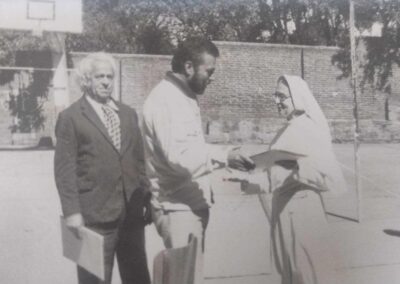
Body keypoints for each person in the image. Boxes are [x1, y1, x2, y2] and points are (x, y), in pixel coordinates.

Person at [142, 37, 254, 283]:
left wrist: (224, 154)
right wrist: (225, 157)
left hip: (188, 207)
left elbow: (191, 146)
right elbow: (178, 156)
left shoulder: (182, 96)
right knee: (182, 279)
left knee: (190, 277)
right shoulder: (165, 100)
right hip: (177, 209)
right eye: (209, 71)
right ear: (189, 67)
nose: (211, 78)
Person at [54, 52, 151, 284]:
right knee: (93, 280)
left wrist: (147, 198)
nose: (106, 81)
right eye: (99, 77)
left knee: (138, 278)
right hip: (93, 218)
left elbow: (139, 161)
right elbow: (64, 170)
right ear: (87, 80)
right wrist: (72, 212)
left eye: (109, 76)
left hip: (131, 216)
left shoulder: (128, 114)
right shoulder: (71, 117)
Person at [258, 75, 347, 284]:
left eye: (281, 96)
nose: (276, 101)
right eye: (275, 95)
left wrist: (296, 169)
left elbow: (328, 176)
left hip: (303, 214)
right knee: (289, 273)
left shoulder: (309, 129)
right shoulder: (286, 129)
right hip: (283, 212)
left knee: (307, 272)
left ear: (297, 97)